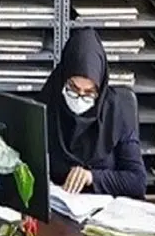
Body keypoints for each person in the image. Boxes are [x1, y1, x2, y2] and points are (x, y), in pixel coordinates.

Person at [38, 28, 147, 198]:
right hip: (57, 206)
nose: (79, 98)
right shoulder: (45, 106)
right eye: (73, 88)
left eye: (89, 92)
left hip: (104, 208)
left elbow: (137, 182)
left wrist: (92, 177)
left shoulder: (118, 110)